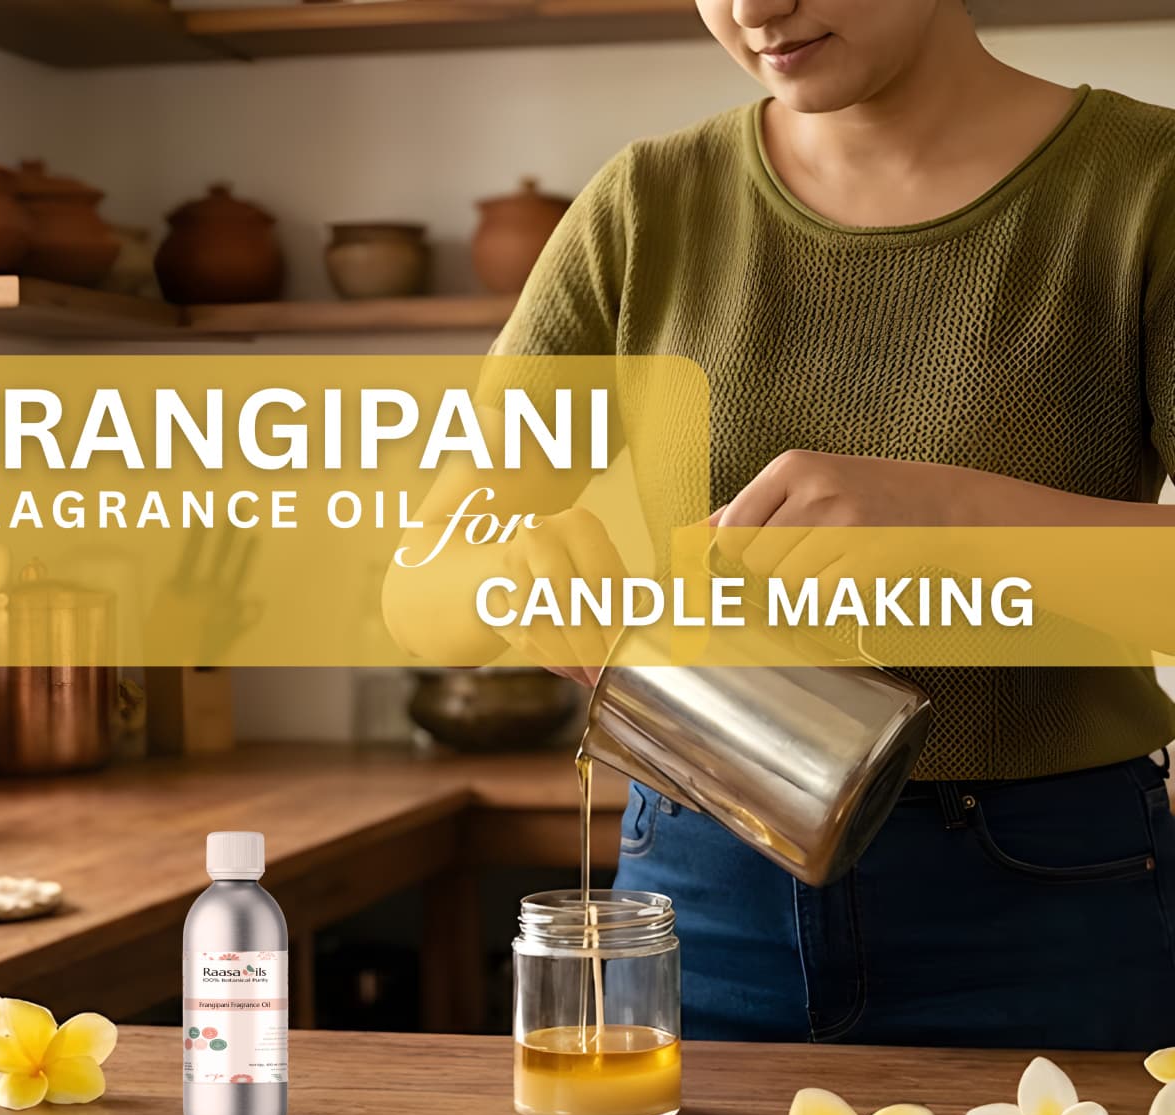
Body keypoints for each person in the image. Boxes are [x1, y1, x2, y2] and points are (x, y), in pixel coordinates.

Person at [386, 0, 1175, 1049]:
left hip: (1049, 891)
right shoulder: (644, 203)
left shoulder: (1143, 186)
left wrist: (954, 514)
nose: (752, 9)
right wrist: (504, 576)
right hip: (698, 885)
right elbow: (418, 593)